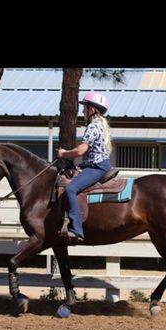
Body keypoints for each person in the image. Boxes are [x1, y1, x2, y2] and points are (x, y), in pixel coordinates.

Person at [57, 92, 112, 243]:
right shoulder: (100, 125)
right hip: (93, 164)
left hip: (97, 167)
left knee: (70, 189)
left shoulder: (93, 126)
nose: (82, 111)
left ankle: (77, 229)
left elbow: (81, 151)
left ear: (92, 109)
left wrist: (64, 153)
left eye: (85, 108)